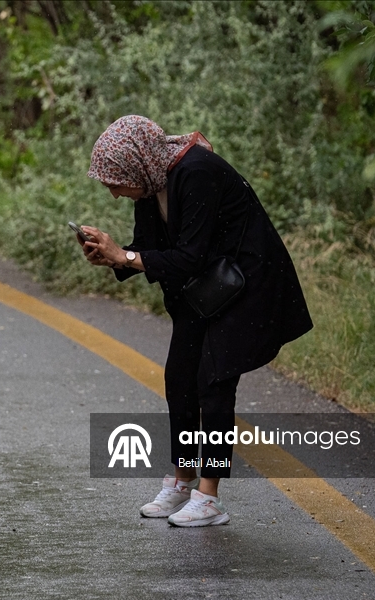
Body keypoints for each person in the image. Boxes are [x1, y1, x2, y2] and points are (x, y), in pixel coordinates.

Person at [79, 115, 312, 527]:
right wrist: (114, 256)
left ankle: (210, 497)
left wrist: (127, 257)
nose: (115, 193)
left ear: (137, 164)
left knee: (213, 380)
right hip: (204, 288)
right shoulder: (150, 185)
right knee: (180, 377)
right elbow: (149, 250)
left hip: (246, 284)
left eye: (116, 182)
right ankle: (182, 481)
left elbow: (191, 255)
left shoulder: (197, 171)